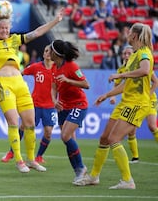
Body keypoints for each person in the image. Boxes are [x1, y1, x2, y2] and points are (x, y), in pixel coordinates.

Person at [0, 6, 64, 173]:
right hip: (3, 85)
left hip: (20, 84)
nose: (4, 30)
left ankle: (31, 160)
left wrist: (55, 21)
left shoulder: (15, 40)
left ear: (10, 29)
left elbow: (37, 32)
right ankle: (19, 160)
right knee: (13, 122)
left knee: (30, 124)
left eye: (7, 28)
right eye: (1, 28)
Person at [75, 23, 154, 189]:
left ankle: (128, 180)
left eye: (130, 31)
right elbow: (126, 84)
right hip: (127, 102)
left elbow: (146, 70)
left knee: (114, 139)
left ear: (135, 35)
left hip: (137, 103)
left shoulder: (144, 53)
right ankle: (94, 177)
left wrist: (121, 74)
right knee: (105, 138)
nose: (127, 32)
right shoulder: (134, 55)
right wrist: (106, 95)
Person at [1, 45, 57, 164]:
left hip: (50, 106)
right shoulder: (36, 67)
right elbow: (21, 73)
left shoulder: (57, 69)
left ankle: (39, 156)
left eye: (50, 52)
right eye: (46, 51)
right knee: (23, 127)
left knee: (48, 132)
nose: (47, 53)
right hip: (35, 104)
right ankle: (11, 152)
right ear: (43, 54)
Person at [49, 39, 89, 184]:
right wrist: (54, 101)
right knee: (68, 140)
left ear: (56, 53)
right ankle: (79, 173)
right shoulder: (54, 67)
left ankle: (81, 168)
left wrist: (68, 80)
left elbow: (86, 84)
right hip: (63, 107)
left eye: (50, 50)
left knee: (65, 136)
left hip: (78, 104)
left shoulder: (72, 66)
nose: (48, 52)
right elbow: (53, 87)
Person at [109, 46, 158, 164]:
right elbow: (117, 85)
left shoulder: (142, 65)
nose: (126, 56)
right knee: (131, 131)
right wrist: (112, 96)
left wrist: (147, 94)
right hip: (134, 101)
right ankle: (135, 157)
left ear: (133, 54)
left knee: (152, 126)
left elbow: (155, 82)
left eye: (129, 53)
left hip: (149, 99)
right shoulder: (121, 69)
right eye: (124, 53)